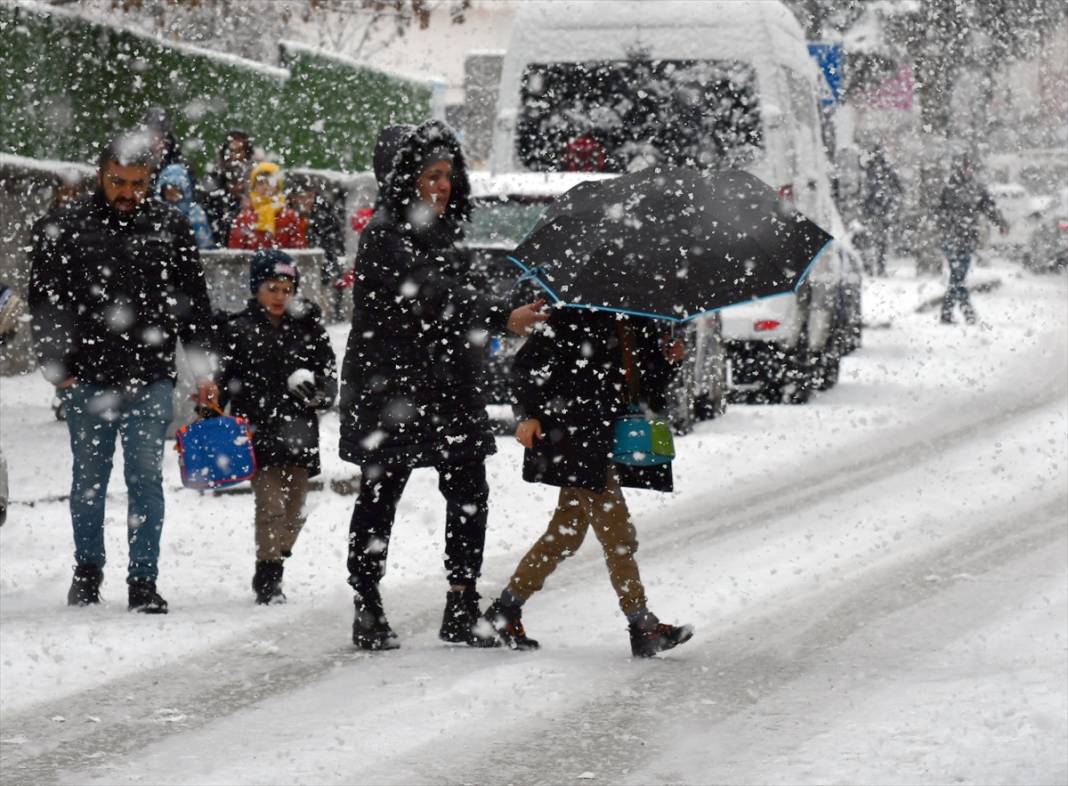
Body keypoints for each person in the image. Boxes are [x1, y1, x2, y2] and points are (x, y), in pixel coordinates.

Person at [339, 120, 547, 651]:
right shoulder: (386, 234)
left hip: (447, 384)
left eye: (448, 175)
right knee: (381, 495)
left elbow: (455, 297)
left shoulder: (443, 230)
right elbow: (436, 299)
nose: (443, 184)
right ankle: (367, 603)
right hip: (391, 390)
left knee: (469, 490)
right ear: (405, 178)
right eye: (431, 175)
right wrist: (502, 316)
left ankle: (461, 601)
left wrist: (506, 311)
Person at [27, 130, 219, 613]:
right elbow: (45, 301)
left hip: (151, 377)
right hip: (87, 378)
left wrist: (204, 371)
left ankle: (143, 580)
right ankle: (88, 572)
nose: (129, 192)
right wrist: (58, 370)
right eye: (119, 181)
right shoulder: (66, 225)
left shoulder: (170, 227)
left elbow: (194, 304)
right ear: (101, 175)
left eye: (138, 183)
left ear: (151, 179)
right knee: (88, 483)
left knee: (145, 481)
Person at [480, 309, 694, 658]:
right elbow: (524, 368)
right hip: (573, 436)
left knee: (565, 534)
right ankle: (642, 624)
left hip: (602, 441)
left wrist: (669, 362)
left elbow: (643, 387)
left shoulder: (638, 320)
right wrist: (529, 414)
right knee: (618, 535)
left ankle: (505, 610)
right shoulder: (572, 314)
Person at [215, 249, 338, 604]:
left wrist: (320, 393)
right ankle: (268, 574)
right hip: (259, 430)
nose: (280, 295)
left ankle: (277, 557)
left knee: (295, 506)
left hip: (300, 430)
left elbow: (328, 373)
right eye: (272, 287)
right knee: (269, 504)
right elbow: (225, 377)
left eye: (287, 288)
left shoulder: (308, 326)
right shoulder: (238, 329)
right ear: (256, 288)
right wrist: (211, 411)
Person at [937, 153, 1009, 325]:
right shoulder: (952, 187)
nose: (969, 171)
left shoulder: (975, 187)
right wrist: (949, 226)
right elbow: (940, 212)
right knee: (958, 276)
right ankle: (966, 312)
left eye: (971, 168)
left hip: (966, 239)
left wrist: (1001, 223)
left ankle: (948, 313)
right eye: (966, 167)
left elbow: (989, 207)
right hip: (953, 239)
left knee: (958, 277)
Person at [287, 174, 347, 321]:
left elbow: (333, 249)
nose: (304, 201)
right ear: (292, 198)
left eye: (308, 196)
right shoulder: (286, 217)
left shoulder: (325, 217)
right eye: (300, 197)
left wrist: (327, 275)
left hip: (320, 275)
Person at [228, 162, 307, 250]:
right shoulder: (244, 218)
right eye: (260, 183)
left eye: (270, 182)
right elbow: (235, 254)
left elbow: (299, 251)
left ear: (278, 186)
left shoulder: (290, 217)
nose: (265, 187)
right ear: (254, 187)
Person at [204, 129, 256, 245]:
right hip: (218, 225)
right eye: (231, 150)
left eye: (239, 151)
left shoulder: (255, 174)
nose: (234, 155)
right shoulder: (215, 173)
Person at [860, 146, 903, 276]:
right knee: (879, 242)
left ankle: (872, 267)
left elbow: (865, 193)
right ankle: (878, 267)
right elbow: (898, 191)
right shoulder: (887, 171)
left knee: (872, 241)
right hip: (881, 211)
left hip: (874, 211)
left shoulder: (869, 171)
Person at [157, 163, 216, 249]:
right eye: (168, 192)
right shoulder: (158, 212)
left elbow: (205, 245)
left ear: (185, 190)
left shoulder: (195, 214)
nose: (172, 196)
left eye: (176, 191)